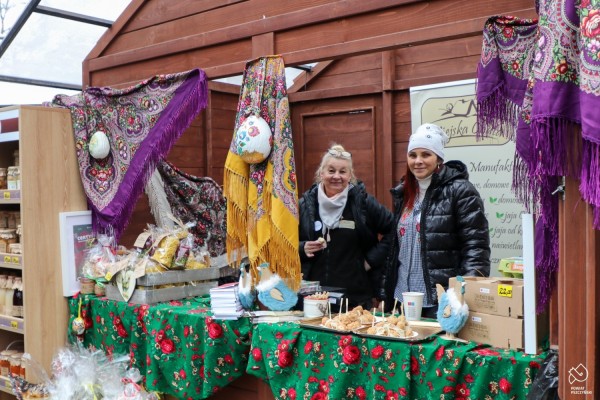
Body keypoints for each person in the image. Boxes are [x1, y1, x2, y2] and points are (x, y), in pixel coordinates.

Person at [379, 123, 490, 318]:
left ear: (438, 158)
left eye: (426, 154)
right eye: (413, 155)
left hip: (440, 300)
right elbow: (394, 249)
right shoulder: (404, 193)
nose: (418, 161)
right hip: (402, 297)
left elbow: (476, 247)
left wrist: (463, 294)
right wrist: (384, 293)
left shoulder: (461, 190)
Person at [299, 144, 395, 310]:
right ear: (321, 173)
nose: (337, 176)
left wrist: (370, 261)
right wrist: (302, 248)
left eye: (343, 171)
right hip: (313, 298)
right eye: (331, 170)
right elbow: (284, 243)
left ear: (350, 175)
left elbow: (394, 230)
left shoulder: (363, 203)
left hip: (355, 298)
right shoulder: (305, 205)